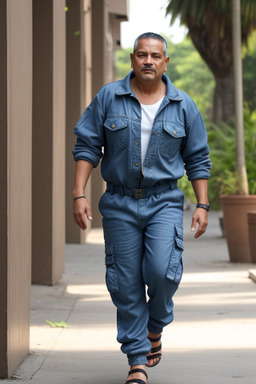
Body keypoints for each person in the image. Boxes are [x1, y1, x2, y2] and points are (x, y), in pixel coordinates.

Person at [72, 32, 211, 384]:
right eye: (142, 55)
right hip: (118, 202)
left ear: (165, 62)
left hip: (163, 200)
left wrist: (202, 204)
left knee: (163, 271)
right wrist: (79, 193)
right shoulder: (109, 97)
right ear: (132, 59)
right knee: (124, 282)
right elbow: (88, 146)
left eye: (156, 56)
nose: (148, 60)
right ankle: (137, 360)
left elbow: (197, 159)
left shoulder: (183, 105)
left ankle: (156, 326)